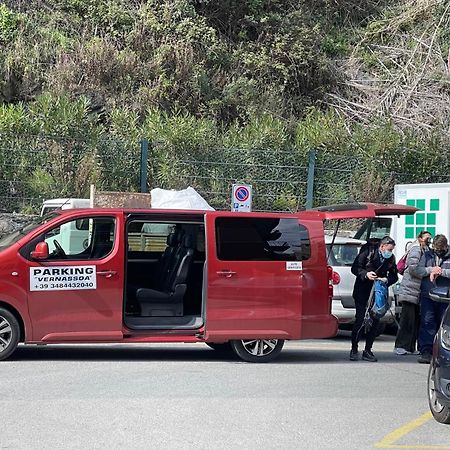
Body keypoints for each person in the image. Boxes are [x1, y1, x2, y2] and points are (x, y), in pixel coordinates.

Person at [350, 236, 398, 362]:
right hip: (362, 291)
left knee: (375, 321)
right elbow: (355, 268)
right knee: (360, 320)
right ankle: (354, 348)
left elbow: (394, 276)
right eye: (389, 249)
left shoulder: (391, 258)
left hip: (378, 293)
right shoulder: (368, 252)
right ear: (382, 246)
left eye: (392, 250)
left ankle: (368, 350)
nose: (390, 252)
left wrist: (386, 280)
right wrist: (366, 274)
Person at [412, 234, 450, 364]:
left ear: (446, 246)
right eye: (436, 249)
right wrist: (430, 270)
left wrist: (441, 272)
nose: (438, 251)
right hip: (428, 295)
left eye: (440, 249)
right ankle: (426, 352)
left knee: (443, 325)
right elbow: (417, 270)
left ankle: (441, 352)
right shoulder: (427, 255)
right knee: (427, 322)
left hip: (446, 297)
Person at [394, 231, 432, 355]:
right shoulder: (416, 249)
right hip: (410, 289)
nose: (429, 240)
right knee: (407, 320)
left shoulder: (424, 249)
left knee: (415, 320)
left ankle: (409, 347)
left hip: (416, 291)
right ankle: (400, 345)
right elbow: (413, 268)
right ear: (420, 238)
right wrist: (429, 270)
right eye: (427, 238)